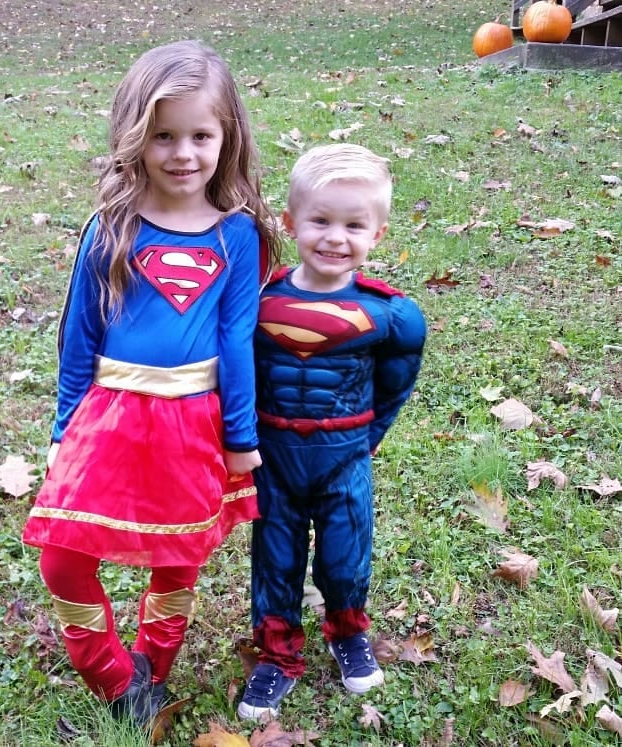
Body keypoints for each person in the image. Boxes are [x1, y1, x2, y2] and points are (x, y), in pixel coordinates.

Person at [22, 39, 279, 726]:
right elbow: (79, 339)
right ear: (136, 136)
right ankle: (116, 678)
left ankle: (151, 672)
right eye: (163, 136)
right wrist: (61, 431)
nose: (183, 153)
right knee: (62, 558)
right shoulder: (110, 228)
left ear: (227, 138)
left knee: (178, 555)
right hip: (107, 418)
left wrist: (240, 439)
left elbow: (235, 342)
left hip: (192, 424)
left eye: (200, 135)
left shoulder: (236, 235)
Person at [237, 143, 427, 720]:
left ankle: (347, 633)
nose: (334, 238)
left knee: (346, 557)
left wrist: (364, 441)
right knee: (275, 559)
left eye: (353, 225)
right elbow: (234, 374)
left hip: (344, 456)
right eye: (320, 220)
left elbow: (396, 384)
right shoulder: (255, 301)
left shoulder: (391, 316)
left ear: (378, 234)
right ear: (291, 223)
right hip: (272, 457)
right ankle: (276, 656)